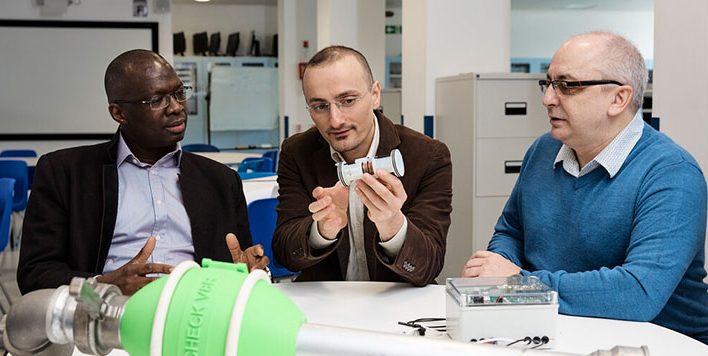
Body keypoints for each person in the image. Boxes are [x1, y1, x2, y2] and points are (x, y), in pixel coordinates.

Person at [461, 32, 708, 343]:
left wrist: (520, 284)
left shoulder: (672, 174)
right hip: (557, 330)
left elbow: (638, 292)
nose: (548, 98)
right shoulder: (543, 151)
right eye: (548, 83)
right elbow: (512, 231)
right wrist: (495, 272)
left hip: (660, 343)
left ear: (619, 98)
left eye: (568, 86)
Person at [18, 49, 268, 296]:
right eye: (157, 100)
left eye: (179, 93)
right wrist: (104, 285)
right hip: (109, 317)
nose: (177, 108)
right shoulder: (65, 174)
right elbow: (35, 272)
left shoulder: (221, 181)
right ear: (119, 113)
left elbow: (242, 262)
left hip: (196, 314)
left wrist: (250, 271)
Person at [272, 46, 452, 287]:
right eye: (320, 106)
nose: (336, 120)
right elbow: (286, 255)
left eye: (347, 101)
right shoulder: (297, 152)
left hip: (399, 305)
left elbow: (427, 267)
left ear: (375, 94)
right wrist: (323, 230)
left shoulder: (427, 156)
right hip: (326, 307)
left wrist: (393, 225)